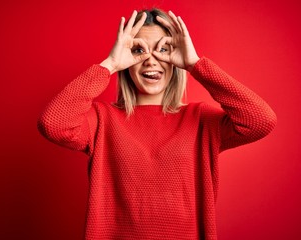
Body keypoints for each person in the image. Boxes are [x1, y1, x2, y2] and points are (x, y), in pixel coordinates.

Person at [38, 8, 277, 240]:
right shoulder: (102, 119)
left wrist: (195, 65)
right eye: (138, 51)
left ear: (176, 59)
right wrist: (109, 64)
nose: (151, 60)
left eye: (163, 49)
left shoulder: (201, 120)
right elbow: (54, 125)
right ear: (127, 61)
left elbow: (260, 120)